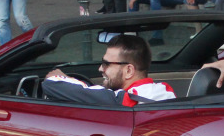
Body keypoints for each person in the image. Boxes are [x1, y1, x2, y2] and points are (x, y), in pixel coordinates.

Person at [42, 35, 175, 106]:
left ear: (129, 70)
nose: (100, 68)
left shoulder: (127, 100)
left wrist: (63, 77)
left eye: (106, 64)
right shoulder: (165, 91)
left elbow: (51, 83)